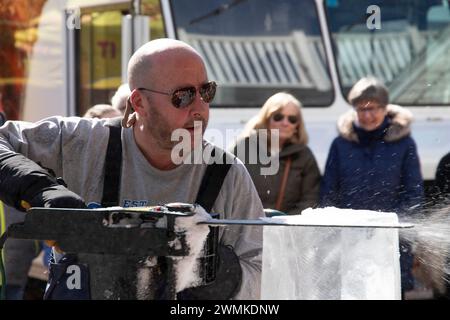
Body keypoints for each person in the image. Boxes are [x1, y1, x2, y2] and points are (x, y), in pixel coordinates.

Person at [0, 38, 263, 300]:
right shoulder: (81, 143)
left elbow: (264, 271)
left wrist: (225, 276)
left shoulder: (226, 174)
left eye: (206, 92)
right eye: (183, 96)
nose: (200, 109)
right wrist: (39, 189)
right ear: (138, 103)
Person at [319, 76, 424, 296]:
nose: (367, 115)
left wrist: (386, 224)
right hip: (348, 240)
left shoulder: (404, 143)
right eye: (360, 109)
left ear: (385, 109)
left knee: (390, 289)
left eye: (373, 109)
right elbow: (329, 192)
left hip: (391, 240)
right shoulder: (341, 144)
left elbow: (414, 194)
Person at [232, 92, 320, 214]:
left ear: (297, 126)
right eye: (278, 117)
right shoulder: (243, 147)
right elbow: (229, 191)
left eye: (292, 119)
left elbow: (310, 199)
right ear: (266, 119)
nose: (285, 123)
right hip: (248, 225)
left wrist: (285, 225)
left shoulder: (304, 155)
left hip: (287, 229)